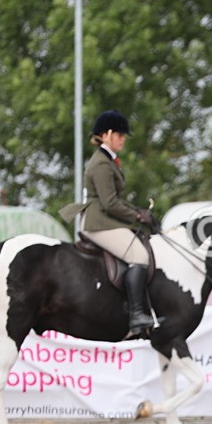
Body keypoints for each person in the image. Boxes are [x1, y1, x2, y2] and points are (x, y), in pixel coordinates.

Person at [61, 110, 157, 335]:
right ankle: (136, 314)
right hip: (98, 222)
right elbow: (110, 203)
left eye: (123, 135)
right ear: (106, 135)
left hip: (104, 218)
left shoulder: (107, 160)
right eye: (119, 135)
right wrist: (137, 217)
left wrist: (138, 211)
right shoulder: (102, 164)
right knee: (139, 256)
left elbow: (115, 200)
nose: (123, 139)